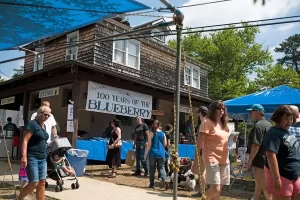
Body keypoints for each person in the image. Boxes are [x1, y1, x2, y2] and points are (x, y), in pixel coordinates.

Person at [195, 100, 231, 200]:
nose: (221, 111)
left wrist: (232, 139)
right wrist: (195, 161)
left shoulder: (224, 124)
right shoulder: (207, 122)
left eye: (223, 109)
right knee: (215, 188)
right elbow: (199, 143)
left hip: (224, 159)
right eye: (218, 108)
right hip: (211, 157)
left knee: (218, 191)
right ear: (213, 110)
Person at [265, 105, 300, 200]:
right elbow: (270, 155)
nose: (289, 122)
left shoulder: (287, 131)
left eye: (291, 119)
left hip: (294, 174)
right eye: (286, 119)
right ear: (278, 118)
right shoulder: (274, 133)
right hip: (282, 174)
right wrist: (276, 179)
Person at [18, 106, 50, 200]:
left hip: (42, 158)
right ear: (39, 113)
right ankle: (19, 198)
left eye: (49, 115)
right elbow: (25, 140)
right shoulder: (32, 124)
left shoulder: (44, 125)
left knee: (42, 182)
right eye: (45, 114)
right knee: (34, 182)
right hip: (32, 157)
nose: (47, 117)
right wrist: (24, 156)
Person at [246, 104, 272, 200]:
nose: (250, 114)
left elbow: (256, 145)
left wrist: (250, 160)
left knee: (264, 187)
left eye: (251, 112)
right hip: (267, 160)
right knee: (259, 183)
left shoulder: (258, 126)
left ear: (257, 112)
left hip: (260, 160)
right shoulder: (269, 124)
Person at [145, 120, 168, 189]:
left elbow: (149, 145)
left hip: (153, 153)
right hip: (161, 153)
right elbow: (165, 144)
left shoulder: (151, 133)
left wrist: (146, 154)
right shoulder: (163, 133)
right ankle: (165, 180)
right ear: (159, 125)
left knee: (152, 169)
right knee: (161, 168)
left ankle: (152, 184)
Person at [191, 106, 208, 198]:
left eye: (198, 113)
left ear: (201, 113)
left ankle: (202, 191)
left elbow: (200, 140)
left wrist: (196, 153)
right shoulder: (210, 123)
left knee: (202, 172)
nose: (198, 115)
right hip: (208, 151)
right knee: (204, 171)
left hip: (202, 151)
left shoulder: (203, 124)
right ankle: (203, 190)